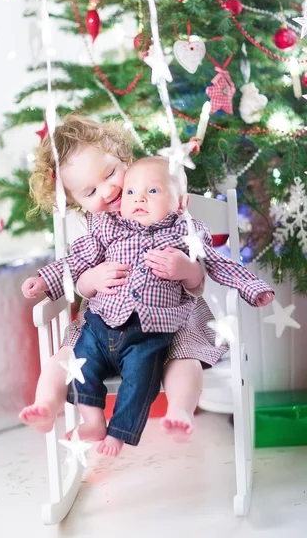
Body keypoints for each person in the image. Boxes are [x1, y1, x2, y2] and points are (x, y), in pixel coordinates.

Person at [22, 155, 274, 456]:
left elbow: (219, 264)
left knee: (160, 371)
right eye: (131, 192)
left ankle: (178, 411)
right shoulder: (108, 228)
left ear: (180, 203)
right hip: (103, 322)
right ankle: (67, 412)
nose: (139, 198)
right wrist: (44, 279)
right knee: (76, 361)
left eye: (152, 191)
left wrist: (248, 286)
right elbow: (76, 261)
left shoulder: (186, 233)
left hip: (159, 327)